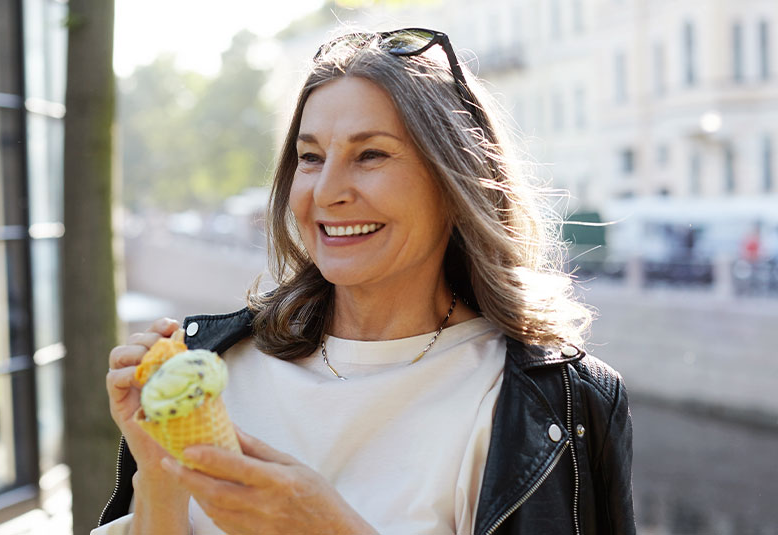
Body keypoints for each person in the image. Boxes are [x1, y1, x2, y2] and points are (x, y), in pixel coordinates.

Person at [96, 28, 635, 535]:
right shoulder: (215, 368)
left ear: (453, 180)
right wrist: (162, 477)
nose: (327, 191)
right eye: (310, 157)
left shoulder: (548, 402)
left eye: (370, 154)